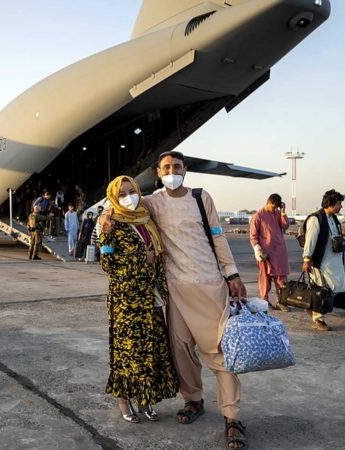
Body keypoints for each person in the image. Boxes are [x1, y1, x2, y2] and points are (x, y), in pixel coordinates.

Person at [103, 151, 249, 449]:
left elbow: (218, 236)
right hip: (176, 291)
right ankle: (193, 400)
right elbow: (120, 199)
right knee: (181, 351)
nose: (172, 171)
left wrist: (232, 274)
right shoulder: (154, 202)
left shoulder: (200, 197)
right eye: (166, 167)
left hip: (209, 285)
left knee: (220, 354)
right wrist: (106, 214)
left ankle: (232, 417)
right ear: (158, 172)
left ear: (186, 169)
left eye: (177, 167)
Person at [99, 175, 178, 423]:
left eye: (131, 191)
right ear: (113, 197)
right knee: (128, 353)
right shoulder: (110, 225)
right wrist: (145, 261)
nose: (128, 197)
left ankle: (145, 399)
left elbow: (159, 256)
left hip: (150, 299)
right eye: (121, 194)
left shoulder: (146, 220)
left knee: (150, 352)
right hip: (126, 301)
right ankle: (124, 399)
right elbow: (108, 264)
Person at [301, 189, 345, 332]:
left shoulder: (333, 218)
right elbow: (310, 240)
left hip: (334, 261)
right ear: (331, 203)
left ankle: (312, 306)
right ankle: (317, 319)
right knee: (322, 290)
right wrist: (307, 258)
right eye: (339, 203)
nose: (341, 207)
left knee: (336, 286)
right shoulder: (316, 219)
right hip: (321, 262)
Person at [249, 193, 291, 312]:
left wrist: (283, 212)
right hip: (265, 254)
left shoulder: (277, 213)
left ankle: (281, 301)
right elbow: (253, 236)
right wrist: (257, 249)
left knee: (281, 279)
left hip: (279, 252)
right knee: (265, 278)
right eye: (272, 207)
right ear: (267, 203)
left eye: (276, 208)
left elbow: (285, 226)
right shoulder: (258, 216)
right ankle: (264, 300)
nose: (274, 209)